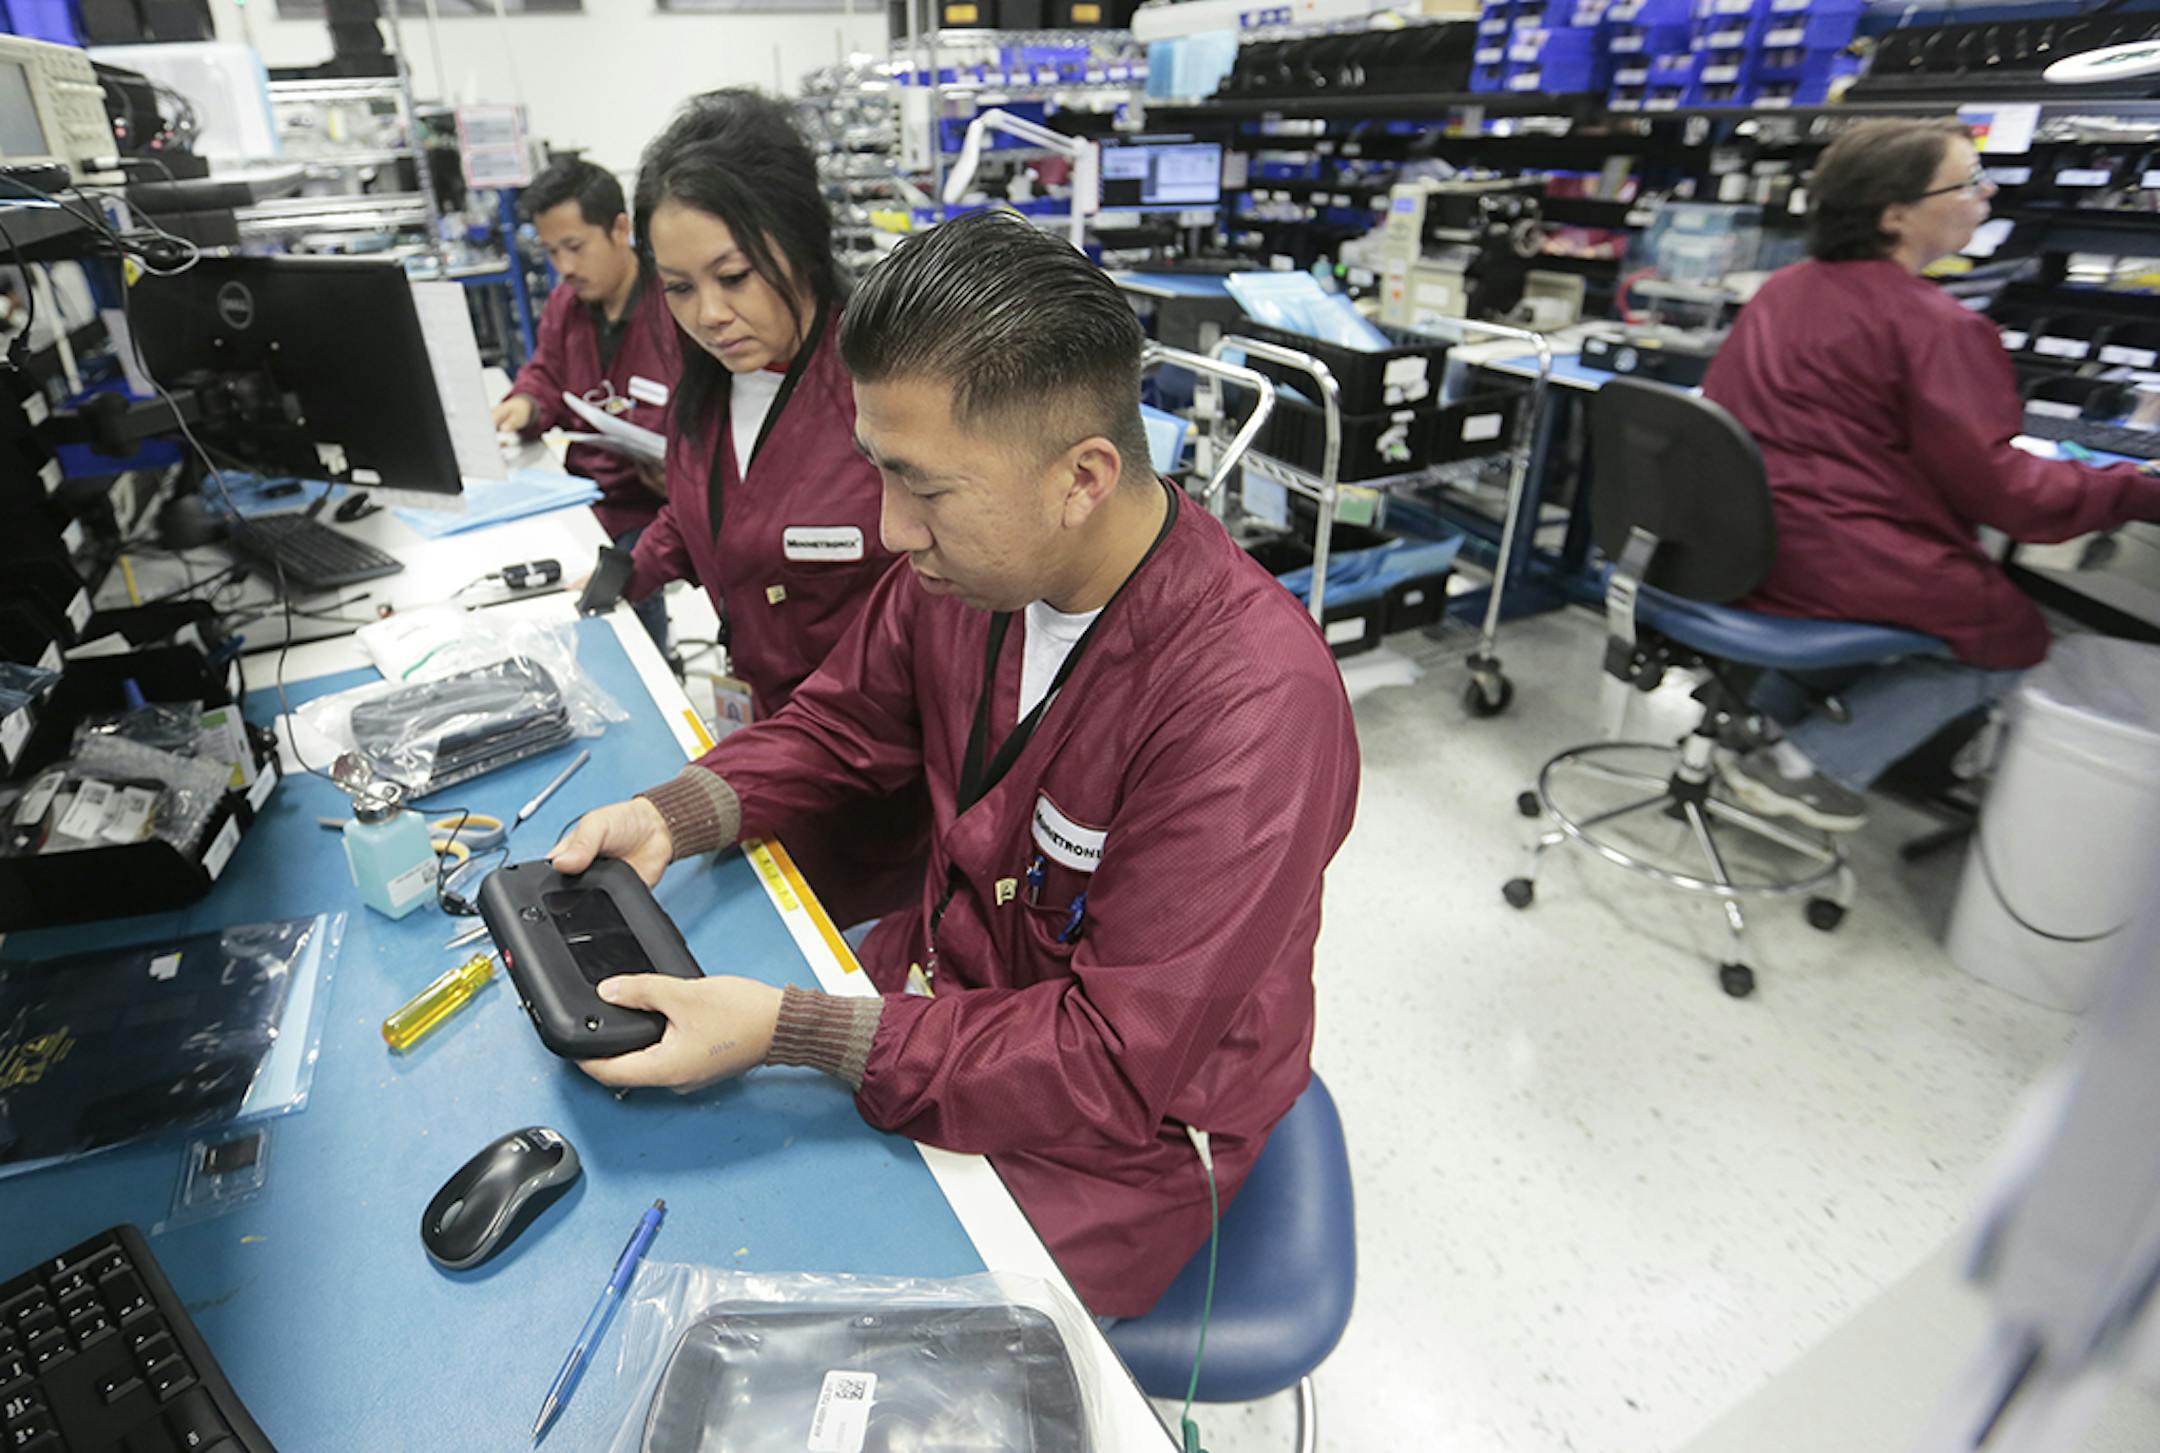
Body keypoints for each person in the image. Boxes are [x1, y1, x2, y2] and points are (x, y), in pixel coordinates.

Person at [549, 210, 1362, 1320]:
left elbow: (1111, 1061)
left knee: (799, 1325)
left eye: (924, 489)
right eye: (878, 473)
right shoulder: (975, 580)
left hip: (1117, 1138)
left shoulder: (1252, 706)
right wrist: (678, 814)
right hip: (945, 985)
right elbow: (837, 724)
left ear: (1082, 477)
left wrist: (797, 1031)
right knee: (690, 1182)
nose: (891, 530)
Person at [1701, 118, 2160, 832]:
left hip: (1743, 543)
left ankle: (1760, 728)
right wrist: (2138, 489)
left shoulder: (1785, 289)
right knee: (2011, 633)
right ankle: (1805, 766)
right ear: (1895, 214)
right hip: (1837, 557)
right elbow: (2010, 496)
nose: (1989, 191)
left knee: (1911, 609)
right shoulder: (1937, 326)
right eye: (1970, 182)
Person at [493, 157, 682, 649]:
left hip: (651, 508)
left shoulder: (676, 308)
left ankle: (651, 660)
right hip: (583, 494)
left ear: (621, 229)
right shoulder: (566, 305)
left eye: (575, 247)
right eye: (551, 252)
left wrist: (677, 468)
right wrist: (526, 405)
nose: (565, 268)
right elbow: (548, 375)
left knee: (620, 602)